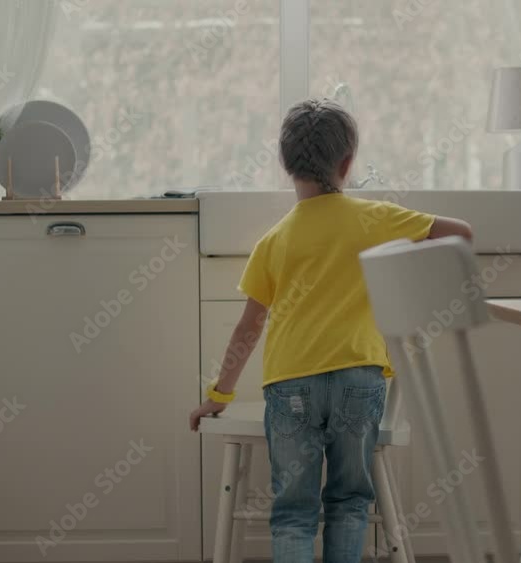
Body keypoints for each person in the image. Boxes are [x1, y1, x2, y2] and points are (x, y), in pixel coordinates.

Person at [189, 98, 472, 563]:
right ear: (347, 163)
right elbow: (461, 232)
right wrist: (402, 266)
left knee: (293, 511)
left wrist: (219, 395)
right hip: (359, 379)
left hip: (290, 386)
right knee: (349, 501)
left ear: (286, 165)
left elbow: (248, 328)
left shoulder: (273, 241)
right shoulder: (377, 218)